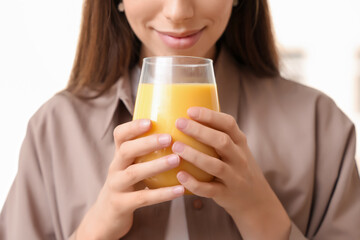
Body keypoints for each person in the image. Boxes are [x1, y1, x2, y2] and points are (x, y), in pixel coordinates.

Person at [1, 0, 360, 239]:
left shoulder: (319, 125)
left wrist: (259, 212)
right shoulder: (53, 130)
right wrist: (99, 225)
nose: (178, 11)